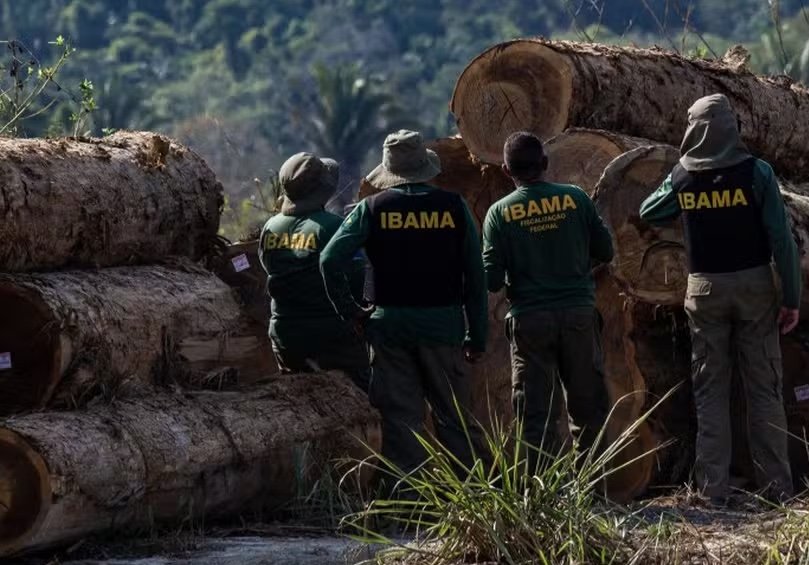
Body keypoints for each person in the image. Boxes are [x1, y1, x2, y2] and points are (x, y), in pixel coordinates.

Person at [639, 93, 800, 504]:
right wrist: (792, 298)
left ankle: (712, 490)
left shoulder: (683, 175)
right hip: (754, 288)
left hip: (704, 290)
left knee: (710, 388)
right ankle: (777, 488)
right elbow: (781, 239)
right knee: (764, 388)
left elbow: (649, 211)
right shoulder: (757, 172)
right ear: (733, 128)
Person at [320, 130, 487, 475]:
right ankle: (476, 495)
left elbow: (329, 259)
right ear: (425, 167)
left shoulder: (371, 209)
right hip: (443, 327)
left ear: (389, 171)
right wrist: (477, 335)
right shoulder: (454, 207)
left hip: (389, 330)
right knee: (455, 419)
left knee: (400, 422)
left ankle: (407, 500)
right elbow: (475, 274)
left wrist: (351, 311)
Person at [482, 131, 614, 462]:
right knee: (588, 411)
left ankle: (542, 488)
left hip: (530, 320)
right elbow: (606, 251)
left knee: (535, 417)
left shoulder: (499, 213)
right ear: (544, 162)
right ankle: (593, 485)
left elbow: (492, 279)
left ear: (506, 170)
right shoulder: (575, 198)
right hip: (578, 315)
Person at [258, 152, 370, 391]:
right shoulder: (332, 226)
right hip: (331, 335)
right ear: (322, 190)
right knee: (368, 394)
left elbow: (267, 266)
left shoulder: (270, 227)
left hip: (284, 335)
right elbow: (356, 277)